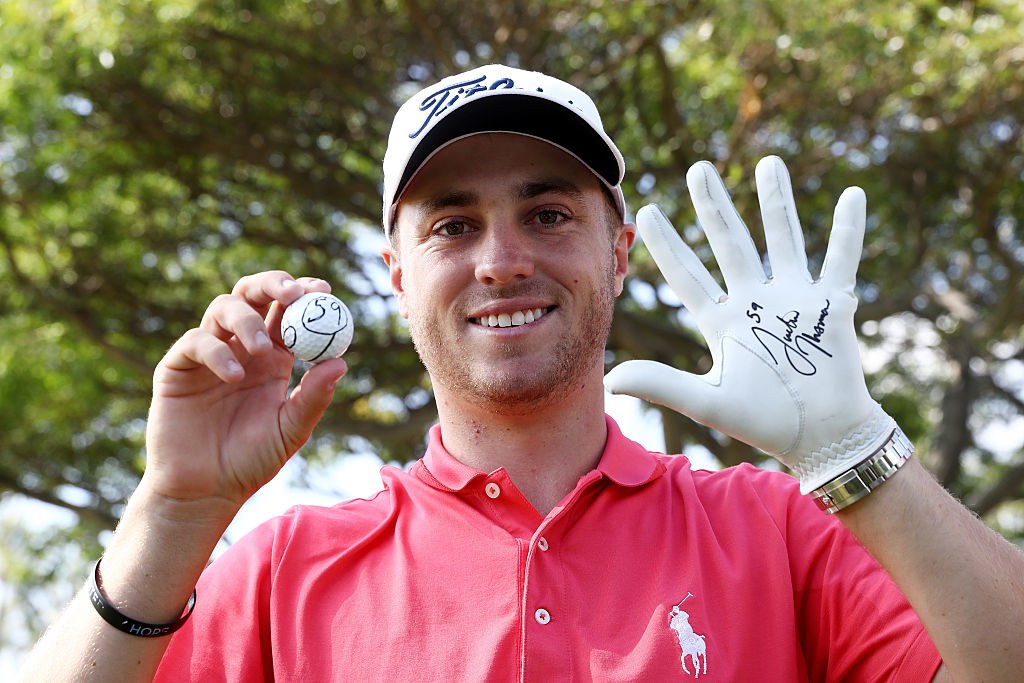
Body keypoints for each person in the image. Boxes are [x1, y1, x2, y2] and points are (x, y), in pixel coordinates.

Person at [19, 64, 1024, 681]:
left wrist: (861, 454)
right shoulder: (286, 567)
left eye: (547, 212)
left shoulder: (779, 528)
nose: (502, 256)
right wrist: (173, 509)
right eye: (453, 222)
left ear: (617, 251)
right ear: (398, 274)